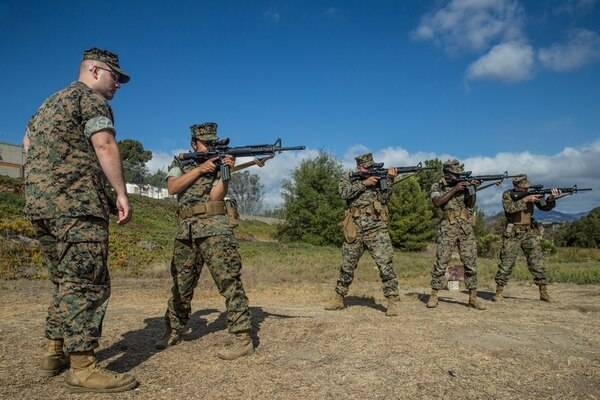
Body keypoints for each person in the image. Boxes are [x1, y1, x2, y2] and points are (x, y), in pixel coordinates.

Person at [23, 48, 138, 392]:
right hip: (76, 206)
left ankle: (54, 351)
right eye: (114, 75)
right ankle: (83, 366)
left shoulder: (46, 105)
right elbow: (103, 144)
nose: (118, 83)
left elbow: (26, 145)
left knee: (63, 281)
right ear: (93, 70)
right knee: (87, 282)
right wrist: (120, 193)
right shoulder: (89, 99)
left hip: (41, 207)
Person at [155, 122, 254, 360]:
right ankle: (174, 330)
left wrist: (225, 173)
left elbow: (215, 196)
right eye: (205, 143)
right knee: (181, 285)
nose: (210, 146)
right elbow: (172, 187)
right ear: (193, 143)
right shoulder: (181, 162)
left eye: (213, 142)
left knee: (229, 282)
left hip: (214, 228)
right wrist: (200, 169)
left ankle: (243, 337)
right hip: (186, 231)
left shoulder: (220, 164)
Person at [324, 153, 401, 317]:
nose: (368, 170)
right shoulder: (348, 178)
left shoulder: (379, 178)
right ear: (359, 167)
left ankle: (392, 301)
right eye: (366, 167)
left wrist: (390, 180)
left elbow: (385, 199)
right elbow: (344, 194)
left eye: (370, 167)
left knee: (385, 264)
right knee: (347, 265)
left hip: (376, 227)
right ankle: (338, 298)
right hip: (354, 228)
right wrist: (364, 184)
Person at [426, 159, 486, 310]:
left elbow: (471, 204)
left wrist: (472, 189)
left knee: (470, 263)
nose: (458, 176)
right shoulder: (437, 185)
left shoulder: (465, 185)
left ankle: (472, 297)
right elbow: (437, 202)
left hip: (465, 228)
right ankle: (434, 295)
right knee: (441, 263)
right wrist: (454, 190)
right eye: (455, 174)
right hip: (447, 227)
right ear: (447, 173)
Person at [494, 176, 561, 302]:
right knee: (506, 263)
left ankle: (543, 292)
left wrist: (551, 199)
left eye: (527, 186)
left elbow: (545, 207)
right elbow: (509, 209)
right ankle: (499, 291)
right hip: (513, 232)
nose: (526, 188)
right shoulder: (508, 194)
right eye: (523, 186)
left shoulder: (532, 194)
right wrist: (525, 200)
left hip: (529, 231)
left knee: (537, 262)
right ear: (515, 185)